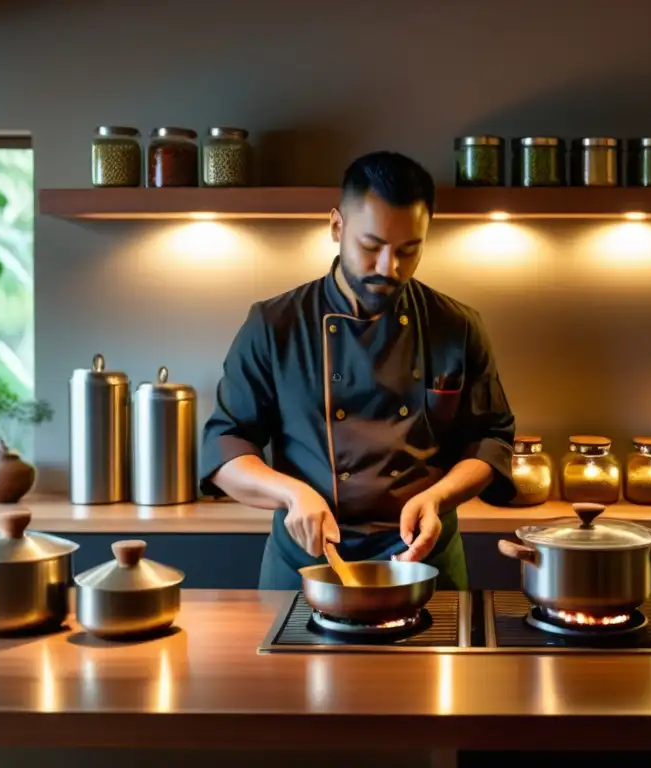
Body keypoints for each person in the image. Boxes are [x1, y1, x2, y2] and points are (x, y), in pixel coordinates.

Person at [198, 150, 517, 590]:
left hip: (425, 560)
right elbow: (225, 446)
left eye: (409, 250)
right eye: (372, 247)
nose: (391, 268)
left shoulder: (457, 325)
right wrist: (292, 494)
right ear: (336, 226)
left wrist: (438, 496)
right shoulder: (274, 326)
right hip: (309, 565)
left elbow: (491, 441)